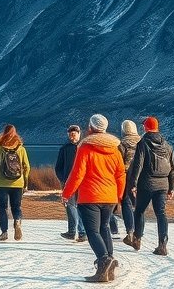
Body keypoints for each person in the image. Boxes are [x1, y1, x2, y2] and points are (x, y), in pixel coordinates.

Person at [61, 113, 126, 283]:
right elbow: (120, 175)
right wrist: (119, 196)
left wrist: (66, 193)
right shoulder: (115, 149)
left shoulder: (85, 148)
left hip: (90, 196)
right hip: (110, 197)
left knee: (92, 231)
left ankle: (104, 261)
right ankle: (109, 264)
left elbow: (77, 174)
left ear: (90, 128)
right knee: (104, 227)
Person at [126, 116, 174, 255]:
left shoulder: (143, 143)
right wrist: (171, 187)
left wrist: (133, 184)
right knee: (161, 213)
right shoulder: (167, 145)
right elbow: (173, 167)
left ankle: (137, 239)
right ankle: (162, 244)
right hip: (163, 184)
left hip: (146, 184)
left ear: (146, 127)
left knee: (140, 211)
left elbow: (138, 164)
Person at [0, 123, 30, 241]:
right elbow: (27, 167)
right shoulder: (21, 149)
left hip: (0, 184)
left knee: (2, 208)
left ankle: (4, 232)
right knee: (16, 207)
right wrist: (25, 183)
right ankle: (18, 221)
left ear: (3, 133)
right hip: (18, 183)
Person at [55, 124, 88, 242]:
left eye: (74, 133)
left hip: (83, 182)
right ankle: (78, 232)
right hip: (68, 182)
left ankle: (77, 232)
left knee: (76, 206)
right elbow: (58, 167)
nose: (72, 135)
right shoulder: (64, 149)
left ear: (79, 134)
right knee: (71, 206)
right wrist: (63, 179)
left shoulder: (85, 147)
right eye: (70, 134)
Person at [117, 119, 142, 239]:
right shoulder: (143, 142)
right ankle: (139, 232)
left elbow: (119, 162)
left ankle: (130, 230)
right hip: (141, 176)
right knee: (139, 204)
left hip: (126, 175)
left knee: (126, 202)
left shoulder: (121, 144)